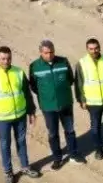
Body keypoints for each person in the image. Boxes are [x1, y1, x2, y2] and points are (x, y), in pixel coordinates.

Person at [0, 46, 40, 183]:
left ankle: (25, 167)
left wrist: (31, 111)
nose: (6, 61)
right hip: (2, 119)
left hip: (20, 115)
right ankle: (8, 172)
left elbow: (26, 93)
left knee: (21, 141)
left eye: (8, 58)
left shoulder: (18, 72)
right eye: (3, 58)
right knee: (5, 144)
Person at [28, 39, 83, 170]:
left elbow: (70, 80)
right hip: (48, 106)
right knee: (53, 133)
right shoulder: (34, 66)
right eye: (46, 53)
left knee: (69, 130)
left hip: (65, 103)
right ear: (41, 53)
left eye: (51, 52)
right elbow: (34, 86)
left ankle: (73, 154)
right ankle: (57, 158)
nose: (49, 55)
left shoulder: (63, 62)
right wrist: (47, 95)